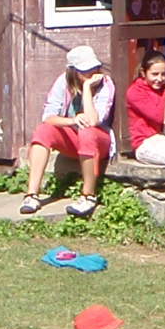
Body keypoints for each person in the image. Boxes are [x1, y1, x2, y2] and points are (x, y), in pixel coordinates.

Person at [21, 44, 114, 218]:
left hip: (98, 141)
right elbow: (48, 117)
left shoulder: (106, 84)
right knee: (43, 131)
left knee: (87, 131)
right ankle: (32, 194)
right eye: (85, 71)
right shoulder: (63, 82)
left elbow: (93, 121)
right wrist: (72, 120)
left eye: (94, 68)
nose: (92, 73)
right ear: (74, 71)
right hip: (73, 139)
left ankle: (88, 195)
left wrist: (87, 89)